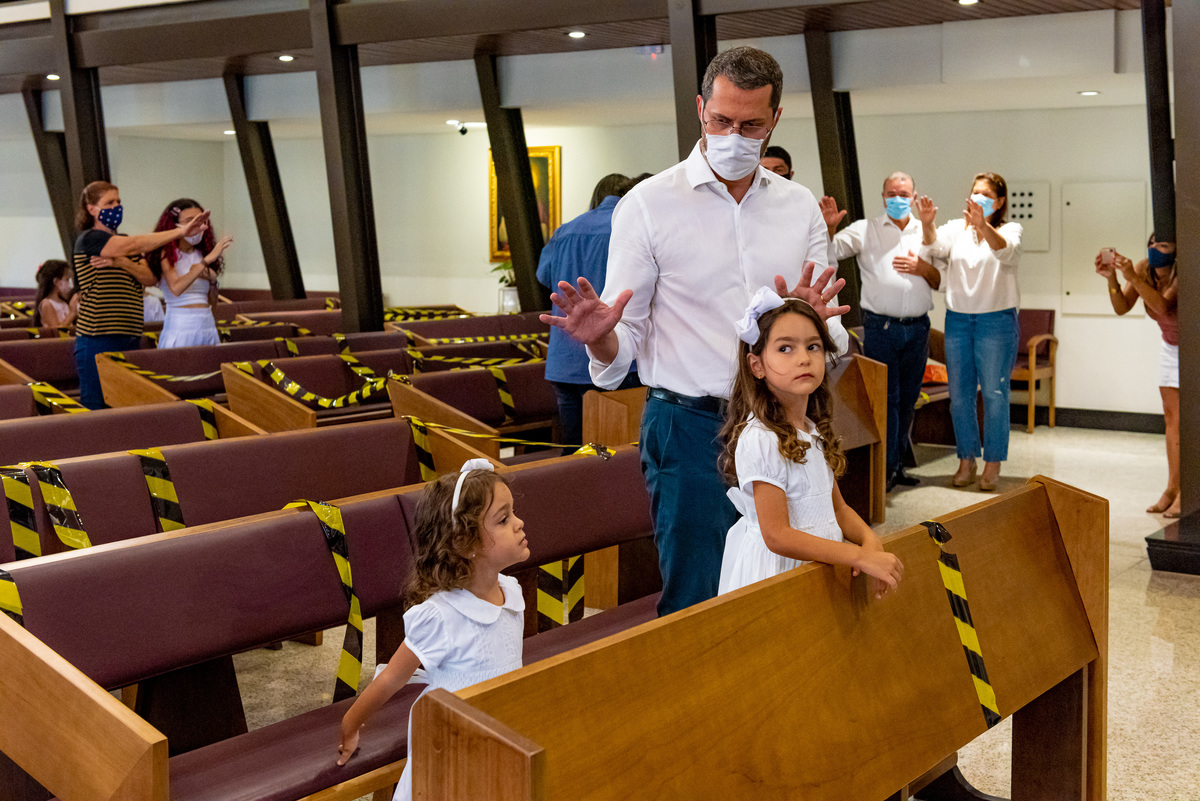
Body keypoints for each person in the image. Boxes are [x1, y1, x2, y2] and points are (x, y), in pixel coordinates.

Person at [541, 46, 849, 616]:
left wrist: (814, 325)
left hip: (783, 424)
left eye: (751, 124)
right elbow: (621, 343)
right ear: (701, 108)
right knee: (697, 600)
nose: (734, 134)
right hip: (689, 426)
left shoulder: (799, 206)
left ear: (775, 119)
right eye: (721, 120)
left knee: (791, 589)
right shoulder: (649, 204)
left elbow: (830, 344)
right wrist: (601, 337)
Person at [336, 459, 528, 801]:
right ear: (465, 543)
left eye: (513, 513)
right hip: (448, 747)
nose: (519, 523)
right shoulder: (442, 616)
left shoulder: (510, 593)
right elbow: (391, 679)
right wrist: (351, 725)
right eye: (503, 519)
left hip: (498, 736)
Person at [718, 289, 903, 595]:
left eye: (813, 347)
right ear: (757, 365)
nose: (803, 358)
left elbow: (838, 509)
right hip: (776, 573)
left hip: (817, 564)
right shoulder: (761, 438)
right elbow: (777, 535)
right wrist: (856, 555)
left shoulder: (811, 430)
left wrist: (870, 542)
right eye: (785, 349)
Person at [821, 173, 940, 491]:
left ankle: (898, 465)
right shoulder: (867, 228)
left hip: (918, 329)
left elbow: (941, 276)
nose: (897, 198)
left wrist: (922, 267)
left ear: (913, 196)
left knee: (908, 400)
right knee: (886, 400)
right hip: (881, 329)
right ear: (883, 195)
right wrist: (830, 226)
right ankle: (884, 470)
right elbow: (832, 251)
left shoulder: (926, 232)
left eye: (903, 193)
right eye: (891, 193)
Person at [918, 172, 1022, 492]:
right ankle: (967, 458)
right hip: (959, 321)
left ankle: (992, 463)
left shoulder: (1009, 229)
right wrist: (926, 222)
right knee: (960, 397)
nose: (977, 199)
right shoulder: (955, 228)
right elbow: (934, 245)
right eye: (974, 193)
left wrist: (983, 226)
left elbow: (1004, 250)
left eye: (986, 195)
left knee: (993, 395)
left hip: (996, 322)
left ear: (1000, 201)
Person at [73, 180, 210, 408]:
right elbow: (136, 244)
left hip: (129, 333)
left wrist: (120, 262)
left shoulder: (125, 248)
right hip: (98, 335)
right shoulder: (89, 240)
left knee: (126, 405)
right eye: (109, 202)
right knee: (97, 407)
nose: (116, 206)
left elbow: (149, 278)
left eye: (118, 201)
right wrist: (180, 231)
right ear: (92, 209)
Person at [538, 174, 642, 451]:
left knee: (573, 454)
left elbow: (544, 275)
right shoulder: (631, 227)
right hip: (616, 356)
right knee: (618, 456)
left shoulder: (565, 230)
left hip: (566, 359)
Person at [1096, 235, 1179, 517]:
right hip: (1171, 347)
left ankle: (1186, 493)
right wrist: (1112, 279)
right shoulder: (1144, 268)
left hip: (1194, 349)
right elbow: (1121, 307)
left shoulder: (1185, 269)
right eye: (1152, 243)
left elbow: (1163, 306)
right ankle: (1172, 489)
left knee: (1186, 424)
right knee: (1172, 421)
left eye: (1164, 245)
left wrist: (1132, 275)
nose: (1156, 249)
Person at [148, 199, 232, 348]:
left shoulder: (201, 253)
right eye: (190, 221)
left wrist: (213, 280)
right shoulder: (166, 254)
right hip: (180, 326)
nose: (197, 225)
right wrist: (204, 264)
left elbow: (212, 304)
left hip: (206, 324)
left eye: (201, 220)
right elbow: (176, 288)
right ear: (175, 226)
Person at [33, 260, 79, 330]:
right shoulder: (47, 304)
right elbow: (55, 331)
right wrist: (72, 313)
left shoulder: (63, 302)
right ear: (56, 281)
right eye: (67, 280)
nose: (69, 284)